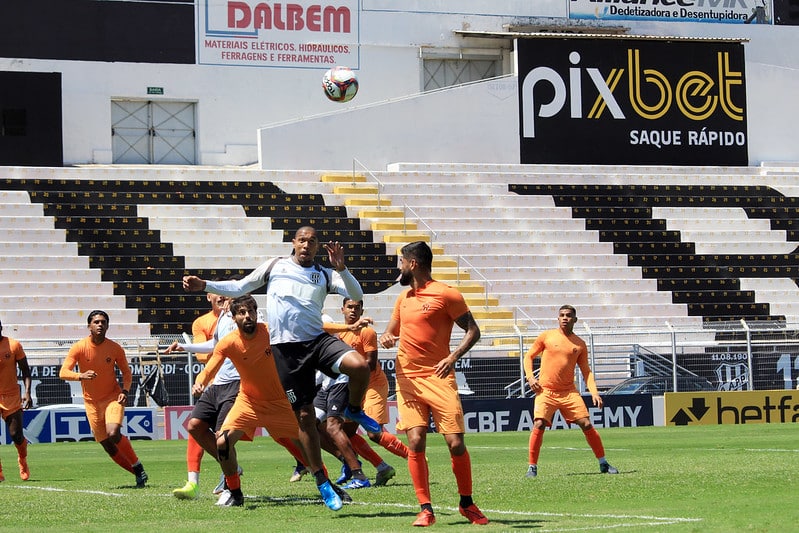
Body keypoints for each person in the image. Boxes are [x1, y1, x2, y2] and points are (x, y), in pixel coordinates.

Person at [182, 226, 379, 510]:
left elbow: (356, 295)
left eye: (313, 242)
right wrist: (207, 285)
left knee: (359, 366)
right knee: (305, 418)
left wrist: (343, 268)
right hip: (286, 352)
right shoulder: (275, 266)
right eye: (302, 240)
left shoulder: (324, 274)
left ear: (318, 246)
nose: (307, 246)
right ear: (293, 242)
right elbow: (240, 288)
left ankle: (355, 409)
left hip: (316, 340)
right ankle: (322, 481)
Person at [379, 241, 488, 527]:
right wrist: (387, 338)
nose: (398, 267)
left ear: (413, 263)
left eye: (401, 262)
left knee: (455, 443)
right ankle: (425, 508)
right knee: (415, 440)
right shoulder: (403, 298)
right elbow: (389, 333)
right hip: (408, 378)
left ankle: (467, 502)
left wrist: (453, 356)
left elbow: (473, 330)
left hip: (439, 377)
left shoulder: (447, 294)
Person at [192, 295, 317, 507]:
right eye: (242, 312)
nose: (248, 316)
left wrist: (346, 329)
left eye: (251, 311)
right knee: (222, 442)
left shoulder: (271, 331)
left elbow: (316, 329)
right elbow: (210, 367)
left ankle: (325, 483)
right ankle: (235, 491)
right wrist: (199, 382)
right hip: (248, 402)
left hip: (279, 402)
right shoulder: (229, 342)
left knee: (305, 442)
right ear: (233, 317)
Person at [523, 304, 619, 478]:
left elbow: (586, 371)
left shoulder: (580, 344)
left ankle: (603, 463)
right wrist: (530, 377)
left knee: (587, 424)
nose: (565, 318)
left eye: (568, 315)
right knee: (539, 423)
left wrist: (594, 392)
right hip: (546, 391)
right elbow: (528, 356)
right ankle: (532, 467)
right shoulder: (547, 336)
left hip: (568, 392)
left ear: (575, 319)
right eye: (562, 315)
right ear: (558, 318)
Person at [59, 310, 148, 487]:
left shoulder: (114, 348)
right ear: (89, 326)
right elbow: (63, 372)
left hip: (112, 398)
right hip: (91, 403)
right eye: (96, 322)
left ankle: (137, 466)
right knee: (107, 445)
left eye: (103, 322)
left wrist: (125, 390)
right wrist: (81, 375)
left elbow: (127, 373)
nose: (100, 325)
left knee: (113, 433)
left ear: (107, 326)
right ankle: (138, 472)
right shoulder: (79, 347)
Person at [327, 298, 407, 487]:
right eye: (350, 307)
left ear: (362, 311)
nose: (353, 311)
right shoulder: (340, 335)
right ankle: (382, 467)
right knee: (346, 433)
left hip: (373, 385)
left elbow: (370, 365)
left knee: (373, 433)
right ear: (342, 310)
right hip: (352, 385)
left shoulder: (367, 331)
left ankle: (413, 457)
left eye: (357, 308)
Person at [172, 289, 229, 499]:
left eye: (227, 292)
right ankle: (193, 482)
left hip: (243, 383)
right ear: (209, 297)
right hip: (217, 383)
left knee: (283, 433)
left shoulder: (244, 316)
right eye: (218, 292)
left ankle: (317, 470)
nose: (222, 296)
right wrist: (185, 347)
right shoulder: (204, 322)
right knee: (197, 426)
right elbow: (204, 353)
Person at [0, 319, 32, 481]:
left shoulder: (13, 345)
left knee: (16, 435)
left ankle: (22, 460)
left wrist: (27, 392)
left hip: (11, 395)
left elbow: (25, 370)